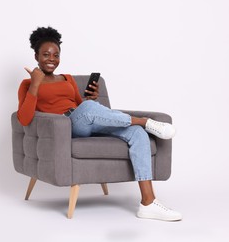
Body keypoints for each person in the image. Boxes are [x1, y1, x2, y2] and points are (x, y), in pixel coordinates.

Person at [17, 26, 182, 221]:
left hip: (85, 120)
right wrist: (35, 83)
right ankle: (145, 121)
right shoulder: (27, 84)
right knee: (90, 111)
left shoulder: (67, 79)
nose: (52, 59)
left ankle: (148, 202)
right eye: (46, 54)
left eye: (56, 55)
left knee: (137, 133)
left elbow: (82, 107)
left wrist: (92, 99)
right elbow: (24, 118)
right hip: (66, 127)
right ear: (36, 56)